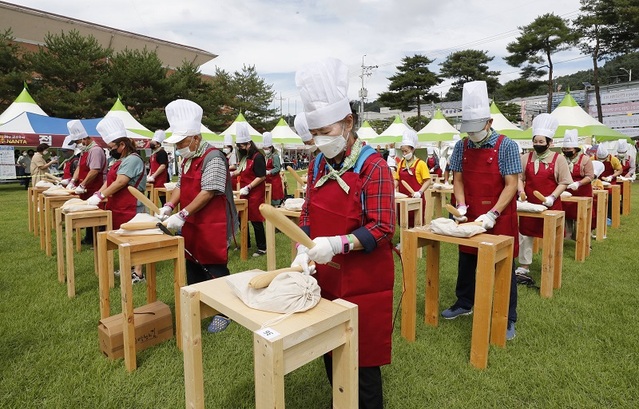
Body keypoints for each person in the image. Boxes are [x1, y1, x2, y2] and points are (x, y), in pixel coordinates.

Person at [293, 57, 395, 409]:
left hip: (364, 278)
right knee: (329, 348)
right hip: (326, 273)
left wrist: (339, 243)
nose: (320, 141)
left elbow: (383, 226)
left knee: (362, 362)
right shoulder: (318, 162)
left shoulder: (373, 165)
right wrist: (302, 247)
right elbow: (308, 208)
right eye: (315, 134)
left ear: (349, 122)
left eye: (327, 132)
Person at [443, 80, 519, 341]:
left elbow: (511, 185)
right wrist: (462, 205)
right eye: (469, 130)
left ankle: (507, 316)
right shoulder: (461, 146)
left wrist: (493, 214)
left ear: (488, 122)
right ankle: (464, 302)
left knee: (503, 266)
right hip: (471, 213)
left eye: (477, 129)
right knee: (466, 260)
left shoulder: (506, 146)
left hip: (498, 214)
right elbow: (459, 179)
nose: (472, 135)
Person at [159, 99, 238, 333]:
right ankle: (200, 302)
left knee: (214, 266)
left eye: (182, 142)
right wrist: (169, 207)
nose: (179, 147)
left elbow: (209, 191)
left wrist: (183, 213)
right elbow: (181, 186)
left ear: (195, 138)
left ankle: (226, 310)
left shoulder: (213, 157)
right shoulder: (186, 159)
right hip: (192, 221)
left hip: (213, 221)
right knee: (192, 262)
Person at [87, 117, 147, 283]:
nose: (111, 150)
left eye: (112, 147)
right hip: (118, 205)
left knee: (134, 239)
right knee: (123, 238)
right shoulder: (119, 160)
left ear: (122, 145)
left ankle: (139, 272)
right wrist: (97, 195)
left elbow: (121, 182)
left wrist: (101, 196)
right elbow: (110, 181)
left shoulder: (133, 159)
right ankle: (128, 266)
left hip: (132, 205)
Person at [516, 113, 571, 280]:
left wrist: (552, 197)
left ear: (550, 143)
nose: (537, 144)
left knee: (551, 235)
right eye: (535, 141)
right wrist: (521, 192)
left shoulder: (559, 159)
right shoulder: (525, 158)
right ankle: (524, 265)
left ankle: (551, 263)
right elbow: (519, 178)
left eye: (541, 142)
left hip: (551, 204)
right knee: (525, 234)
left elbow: (564, 181)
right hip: (530, 204)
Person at [67, 120, 107, 245]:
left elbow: (94, 171)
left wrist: (82, 184)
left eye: (78, 142)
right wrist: (73, 181)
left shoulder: (95, 150)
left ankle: (97, 240)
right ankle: (89, 237)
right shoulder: (85, 151)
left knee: (96, 214)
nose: (77, 145)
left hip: (96, 185)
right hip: (86, 187)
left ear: (85, 139)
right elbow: (79, 168)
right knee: (87, 213)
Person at [232, 122, 267, 257]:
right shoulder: (245, 157)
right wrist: (232, 174)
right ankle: (246, 243)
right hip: (245, 193)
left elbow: (262, 176)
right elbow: (240, 170)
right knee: (242, 219)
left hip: (255, 193)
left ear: (248, 144)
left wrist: (249, 186)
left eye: (241, 146)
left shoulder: (258, 157)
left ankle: (262, 247)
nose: (240, 149)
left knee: (256, 220)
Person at [561, 129, 594, 240]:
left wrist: (578, 183)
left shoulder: (585, 160)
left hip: (582, 191)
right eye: (564, 149)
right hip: (566, 192)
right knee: (567, 215)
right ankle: (567, 237)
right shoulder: (561, 159)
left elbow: (590, 176)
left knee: (582, 216)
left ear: (575, 149)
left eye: (568, 149)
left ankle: (583, 239)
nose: (566, 151)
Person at [394, 129, 430, 228]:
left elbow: (427, 180)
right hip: (403, 198)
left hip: (416, 198)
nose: (404, 154)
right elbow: (397, 179)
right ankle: (403, 241)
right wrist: (393, 188)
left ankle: (416, 242)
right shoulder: (401, 163)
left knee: (416, 222)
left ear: (413, 149)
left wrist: (420, 192)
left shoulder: (420, 164)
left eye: (406, 151)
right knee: (403, 221)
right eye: (402, 151)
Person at [262, 132, 285, 207]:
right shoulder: (266, 157)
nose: (265, 150)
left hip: (274, 180)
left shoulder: (275, 156)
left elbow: (278, 168)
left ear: (271, 148)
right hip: (267, 180)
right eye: (264, 148)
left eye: (266, 148)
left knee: (275, 197)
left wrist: (269, 172)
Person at [147, 130, 170, 203]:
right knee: (149, 198)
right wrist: (149, 175)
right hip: (152, 181)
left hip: (161, 180)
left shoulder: (162, 153)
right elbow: (151, 167)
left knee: (163, 199)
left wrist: (153, 176)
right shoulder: (153, 154)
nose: (151, 143)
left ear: (158, 144)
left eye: (153, 142)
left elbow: (162, 166)